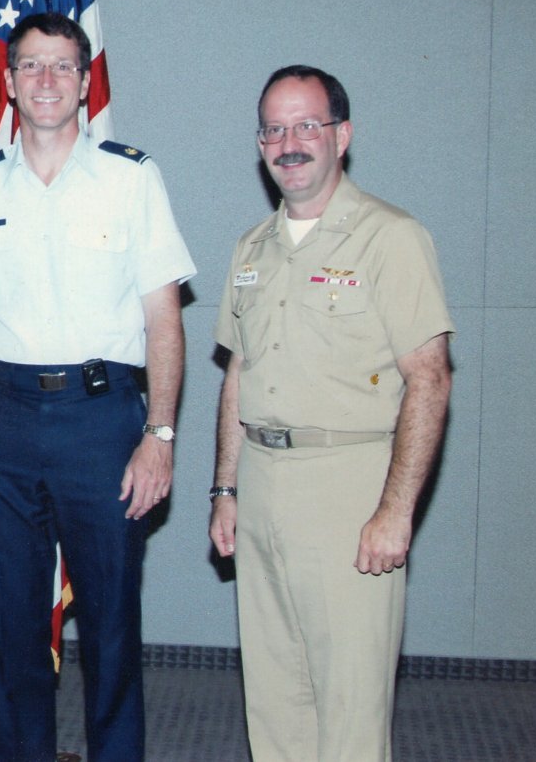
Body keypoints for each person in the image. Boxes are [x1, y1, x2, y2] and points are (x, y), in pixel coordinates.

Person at [0, 12, 197, 761]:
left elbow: (163, 321)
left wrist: (160, 435)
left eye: (61, 67)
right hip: (4, 422)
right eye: (30, 67)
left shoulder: (130, 178)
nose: (45, 81)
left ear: (85, 82)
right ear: (8, 84)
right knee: (10, 625)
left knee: (111, 625)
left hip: (102, 420)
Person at [208, 65, 454, 761]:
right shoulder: (249, 249)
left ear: (340, 135)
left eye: (305, 125)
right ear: (259, 143)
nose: (288, 142)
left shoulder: (390, 237)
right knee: (275, 699)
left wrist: (394, 509)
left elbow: (429, 379)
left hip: (349, 488)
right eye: (273, 129)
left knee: (348, 706)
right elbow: (239, 373)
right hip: (261, 488)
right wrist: (225, 489)